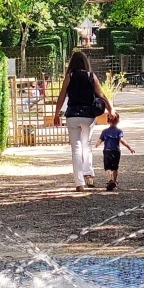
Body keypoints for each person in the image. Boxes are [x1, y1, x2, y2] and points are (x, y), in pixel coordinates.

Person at [53, 49, 115, 190]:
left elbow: (61, 97)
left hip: (73, 115)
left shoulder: (69, 76)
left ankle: (79, 182)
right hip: (88, 115)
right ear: (85, 63)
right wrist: (111, 109)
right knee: (86, 144)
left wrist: (56, 114)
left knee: (76, 148)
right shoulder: (91, 76)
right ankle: (89, 174)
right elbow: (101, 94)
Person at [95, 112, 135, 191]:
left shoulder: (105, 131)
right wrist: (129, 147)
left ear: (107, 121)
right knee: (115, 167)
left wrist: (97, 144)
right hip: (116, 151)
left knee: (108, 167)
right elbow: (122, 141)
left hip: (107, 151)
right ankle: (115, 180)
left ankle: (110, 180)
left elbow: (100, 140)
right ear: (118, 121)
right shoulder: (119, 131)